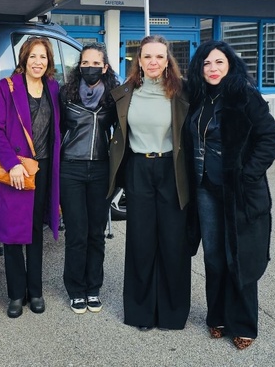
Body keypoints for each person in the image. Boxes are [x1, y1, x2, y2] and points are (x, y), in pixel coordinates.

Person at [185, 40, 275, 349]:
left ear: (230, 65)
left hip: (238, 192)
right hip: (205, 190)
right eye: (206, 64)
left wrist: (247, 174)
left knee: (238, 256)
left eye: (219, 63)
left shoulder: (245, 97)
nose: (212, 69)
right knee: (213, 256)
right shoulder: (198, 97)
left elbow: (269, 137)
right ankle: (218, 317)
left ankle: (244, 324)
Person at [107, 35, 192, 331]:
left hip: (171, 169)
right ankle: (141, 313)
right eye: (147, 57)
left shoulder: (181, 93)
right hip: (138, 168)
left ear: (168, 60)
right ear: (138, 61)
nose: (153, 62)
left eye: (159, 56)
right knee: (141, 242)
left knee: (173, 242)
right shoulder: (125, 92)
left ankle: (172, 313)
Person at [0, 36, 61, 319]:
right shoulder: (7, 88)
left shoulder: (53, 88)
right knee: (12, 235)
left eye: (43, 57)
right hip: (15, 171)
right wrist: (12, 164)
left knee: (34, 232)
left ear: (48, 61)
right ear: (24, 59)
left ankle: (36, 291)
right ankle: (17, 294)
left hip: (42, 171)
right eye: (33, 57)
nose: (38, 62)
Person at [59, 43, 118, 314]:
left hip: (101, 170)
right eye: (85, 63)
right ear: (79, 66)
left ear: (104, 67)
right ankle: (75, 290)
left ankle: (93, 288)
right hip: (70, 168)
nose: (90, 68)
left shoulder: (114, 98)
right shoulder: (66, 94)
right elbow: (57, 130)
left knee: (96, 233)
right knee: (76, 233)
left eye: (96, 63)